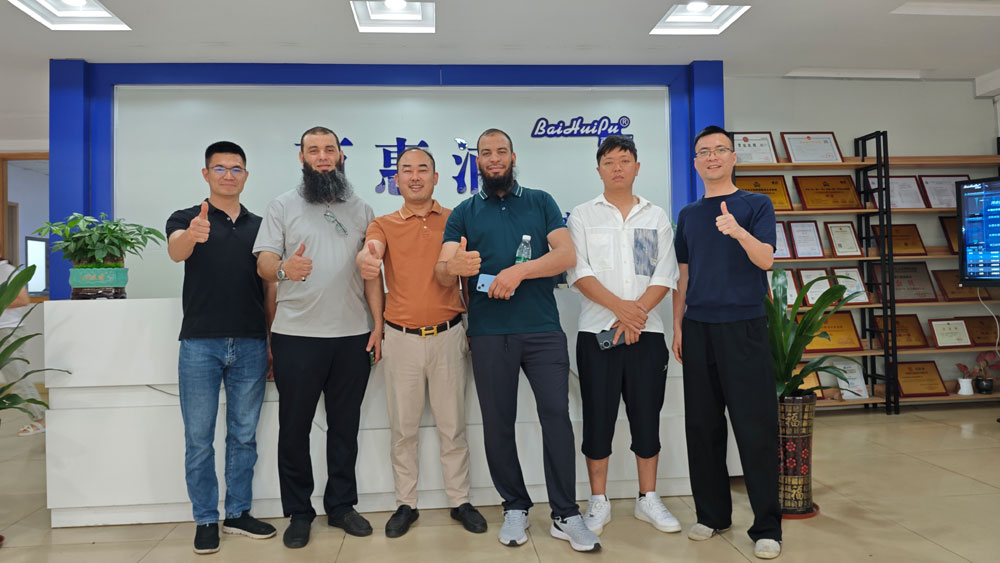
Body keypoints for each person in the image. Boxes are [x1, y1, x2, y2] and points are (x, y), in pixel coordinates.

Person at [435, 128, 600, 552]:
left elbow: (565, 255)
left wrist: (517, 272)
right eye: (486, 153)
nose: (494, 158)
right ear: (477, 161)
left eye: (501, 151)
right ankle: (515, 506)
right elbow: (442, 270)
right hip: (489, 333)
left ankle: (566, 513)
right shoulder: (464, 212)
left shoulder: (541, 201)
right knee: (498, 423)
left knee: (556, 417)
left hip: (542, 329)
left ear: (513, 156)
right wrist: (455, 266)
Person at [253, 126, 382, 549]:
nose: (323, 156)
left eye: (330, 149)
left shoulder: (362, 209)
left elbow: (371, 273)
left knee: (345, 427)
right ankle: (299, 512)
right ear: (302, 158)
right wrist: (285, 269)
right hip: (296, 336)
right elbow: (264, 263)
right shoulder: (282, 205)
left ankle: (341, 506)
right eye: (314, 150)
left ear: (341, 156)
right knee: (294, 429)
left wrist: (378, 323)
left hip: (352, 336)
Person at [357, 147, 488, 538]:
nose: (415, 177)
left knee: (453, 427)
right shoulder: (382, 224)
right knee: (403, 430)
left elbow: (468, 275)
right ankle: (406, 503)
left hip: (449, 335)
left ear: (436, 177)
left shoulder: (456, 219)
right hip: (401, 340)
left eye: (423, 170)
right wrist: (367, 258)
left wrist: (474, 326)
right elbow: (372, 253)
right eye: (407, 170)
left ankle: (460, 500)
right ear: (396, 179)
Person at [672, 125, 782, 560]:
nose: (712, 157)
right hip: (698, 327)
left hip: (744, 327)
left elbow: (766, 260)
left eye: (720, 150)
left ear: (733, 157)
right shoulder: (688, 214)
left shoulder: (756, 204)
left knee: (755, 428)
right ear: (695, 162)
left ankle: (767, 526)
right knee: (702, 427)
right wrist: (678, 326)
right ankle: (712, 514)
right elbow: (683, 276)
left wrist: (738, 231)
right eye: (704, 151)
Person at [165, 141, 278, 555]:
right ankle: (205, 519)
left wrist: (271, 340)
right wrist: (192, 236)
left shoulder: (261, 226)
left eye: (236, 168)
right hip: (200, 343)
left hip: (251, 342)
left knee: (243, 436)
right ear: (206, 174)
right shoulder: (186, 218)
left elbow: (269, 286)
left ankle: (237, 513)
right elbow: (176, 251)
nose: (228, 175)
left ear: (245, 175)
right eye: (220, 168)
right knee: (199, 438)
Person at [566, 135, 680, 536]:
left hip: (647, 335)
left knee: (646, 417)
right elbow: (579, 272)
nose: (617, 167)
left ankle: (648, 498)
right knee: (597, 418)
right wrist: (623, 312)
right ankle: (598, 501)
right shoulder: (582, 216)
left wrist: (635, 317)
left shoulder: (656, 216)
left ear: (637, 167)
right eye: (609, 161)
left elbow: (665, 274)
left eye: (625, 160)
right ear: (598, 169)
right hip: (597, 334)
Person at [0, 256, 46, 437]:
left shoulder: (6, 270)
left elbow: (22, 299)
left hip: (7, 331)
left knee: (17, 377)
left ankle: (41, 417)